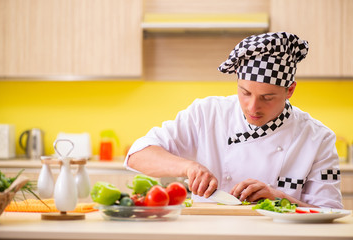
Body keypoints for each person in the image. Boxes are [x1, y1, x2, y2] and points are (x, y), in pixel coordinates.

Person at [124, 32, 342, 209]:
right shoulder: (207, 113)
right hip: (205, 232)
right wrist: (188, 167)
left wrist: (278, 198)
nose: (252, 107)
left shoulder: (318, 139)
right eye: (245, 92)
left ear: (290, 90)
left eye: (267, 97)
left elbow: (330, 212)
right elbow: (137, 155)